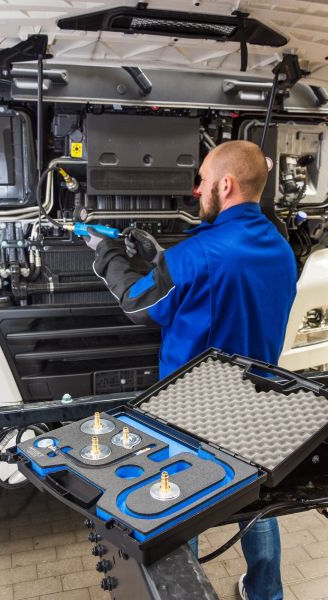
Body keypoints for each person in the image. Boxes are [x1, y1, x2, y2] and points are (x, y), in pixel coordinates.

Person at [84, 140, 297, 600]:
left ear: (227, 184)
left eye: (202, 180)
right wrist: (160, 257)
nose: (196, 189)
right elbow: (223, 281)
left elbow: (139, 303)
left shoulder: (196, 255)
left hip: (190, 407)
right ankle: (266, 592)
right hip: (257, 398)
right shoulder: (280, 249)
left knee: (183, 501)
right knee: (256, 502)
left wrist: (107, 253)